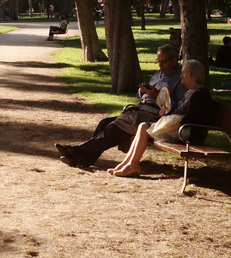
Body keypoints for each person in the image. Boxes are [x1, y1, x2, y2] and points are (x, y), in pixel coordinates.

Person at [55, 44, 186, 167]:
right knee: (104, 123)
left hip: (155, 116)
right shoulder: (159, 73)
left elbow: (178, 107)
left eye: (164, 62)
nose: (160, 65)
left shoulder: (181, 79)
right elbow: (140, 96)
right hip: (141, 108)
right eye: (158, 61)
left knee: (115, 127)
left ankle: (76, 151)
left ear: (174, 60)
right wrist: (143, 91)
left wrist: (157, 96)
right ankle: (85, 158)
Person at [109, 59, 216, 177]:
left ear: (194, 76)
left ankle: (132, 165)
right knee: (143, 126)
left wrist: (167, 119)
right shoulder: (191, 92)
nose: (181, 76)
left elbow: (189, 119)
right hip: (183, 130)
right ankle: (127, 163)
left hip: (189, 134)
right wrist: (166, 115)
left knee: (144, 127)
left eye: (184, 73)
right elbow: (181, 115)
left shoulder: (200, 95)